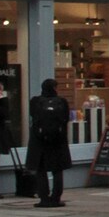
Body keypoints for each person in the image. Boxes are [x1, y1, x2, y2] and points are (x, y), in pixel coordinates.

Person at [27, 77, 73, 207]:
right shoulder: (62, 102)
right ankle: (56, 197)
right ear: (55, 88)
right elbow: (65, 119)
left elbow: (33, 117)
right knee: (57, 170)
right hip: (57, 142)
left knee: (41, 170)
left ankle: (43, 198)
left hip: (39, 141)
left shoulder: (35, 101)